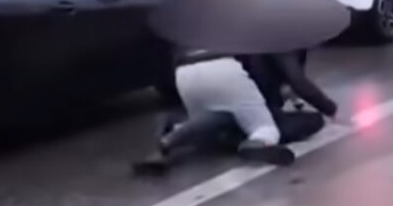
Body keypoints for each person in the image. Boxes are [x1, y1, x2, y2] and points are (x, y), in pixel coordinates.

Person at [133, 49, 337, 172]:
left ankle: (170, 138)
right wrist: (332, 110)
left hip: (184, 71)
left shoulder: (229, 20)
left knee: (223, 113)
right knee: (265, 127)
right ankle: (256, 143)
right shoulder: (279, 35)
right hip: (223, 67)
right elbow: (298, 81)